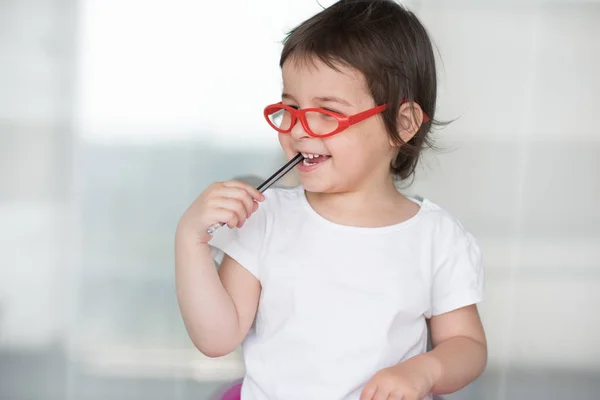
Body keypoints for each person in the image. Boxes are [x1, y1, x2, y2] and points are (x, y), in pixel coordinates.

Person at [175, 1, 487, 399]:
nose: (301, 130)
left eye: (328, 112)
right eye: (291, 108)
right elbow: (216, 338)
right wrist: (190, 240)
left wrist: (423, 371)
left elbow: (468, 346)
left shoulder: (437, 237)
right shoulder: (265, 219)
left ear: (403, 124)